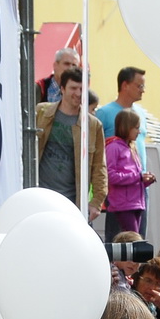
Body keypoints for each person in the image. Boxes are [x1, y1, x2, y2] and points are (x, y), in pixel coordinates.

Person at [36, 70, 107, 220]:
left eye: (82, 89)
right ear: (62, 89)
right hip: (39, 196)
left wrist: (96, 202)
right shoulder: (41, 112)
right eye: (73, 88)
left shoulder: (93, 125)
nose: (78, 93)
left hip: (72, 203)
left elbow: (99, 167)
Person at [103, 111, 155, 241]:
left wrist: (145, 180)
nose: (139, 132)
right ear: (127, 127)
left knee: (135, 239)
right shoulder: (113, 147)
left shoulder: (131, 148)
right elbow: (111, 176)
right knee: (134, 240)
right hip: (123, 204)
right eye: (136, 128)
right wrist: (138, 177)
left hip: (135, 203)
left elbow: (134, 178)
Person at [96, 66, 148, 147]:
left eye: (143, 86)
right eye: (140, 86)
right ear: (125, 85)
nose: (143, 90)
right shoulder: (104, 113)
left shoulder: (141, 113)